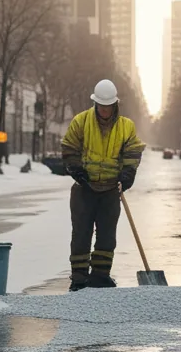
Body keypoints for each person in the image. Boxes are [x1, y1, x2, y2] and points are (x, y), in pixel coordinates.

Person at [61, 79, 146, 291]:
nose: (105, 111)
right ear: (95, 103)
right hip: (84, 188)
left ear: (115, 104)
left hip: (110, 190)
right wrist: (76, 170)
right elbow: (69, 148)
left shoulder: (126, 126)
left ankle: (100, 275)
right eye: (101, 106)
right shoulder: (81, 122)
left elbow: (132, 152)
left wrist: (127, 175)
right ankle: (79, 277)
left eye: (108, 106)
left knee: (107, 235)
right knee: (81, 233)